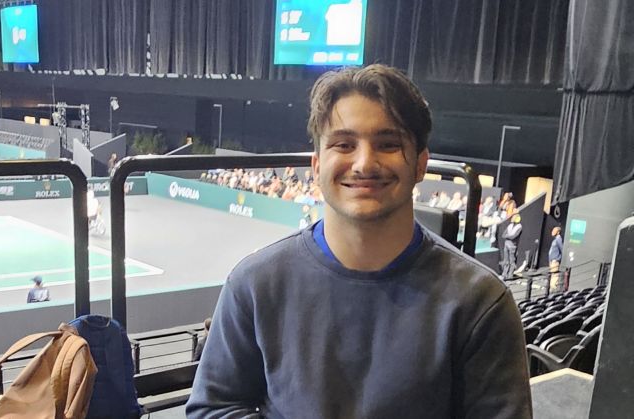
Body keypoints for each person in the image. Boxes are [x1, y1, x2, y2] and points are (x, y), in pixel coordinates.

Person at [187, 64, 531, 418]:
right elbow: (214, 407)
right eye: (344, 144)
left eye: (388, 144)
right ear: (317, 165)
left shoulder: (480, 302)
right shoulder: (254, 284)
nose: (365, 163)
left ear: (420, 165)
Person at [501, 214, 523, 278]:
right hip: (506, 245)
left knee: (512, 261)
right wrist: (509, 236)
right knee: (506, 261)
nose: (512, 218)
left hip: (512, 246)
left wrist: (507, 236)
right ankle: (504, 274)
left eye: (514, 217)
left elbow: (514, 237)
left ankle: (510, 275)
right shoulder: (510, 226)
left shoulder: (519, 227)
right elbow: (503, 235)